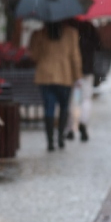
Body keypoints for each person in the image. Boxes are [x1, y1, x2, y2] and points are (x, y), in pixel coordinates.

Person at [28, 19, 82, 152]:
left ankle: (50, 141)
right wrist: (78, 76)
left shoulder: (38, 34)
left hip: (45, 75)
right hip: (65, 75)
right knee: (64, 107)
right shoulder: (71, 33)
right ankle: (60, 138)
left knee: (49, 108)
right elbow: (75, 56)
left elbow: (33, 56)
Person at [67, 19, 101, 142]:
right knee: (86, 99)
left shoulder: (69, 26)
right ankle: (83, 122)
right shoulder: (90, 27)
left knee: (72, 99)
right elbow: (99, 46)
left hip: (72, 70)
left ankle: (70, 128)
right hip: (87, 69)